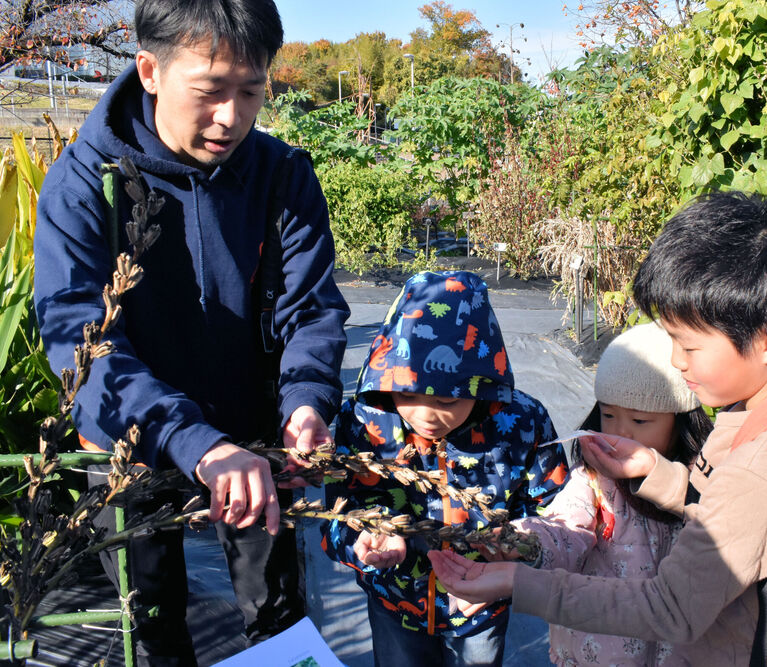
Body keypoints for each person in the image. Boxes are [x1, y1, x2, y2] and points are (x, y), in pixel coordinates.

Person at [429, 192, 767, 666]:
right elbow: (734, 511)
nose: (677, 361)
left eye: (689, 344)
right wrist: (655, 473)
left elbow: (671, 607)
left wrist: (517, 582)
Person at [33, 0, 349, 663]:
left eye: (251, 91)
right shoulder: (84, 186)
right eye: (210, 91)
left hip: (257, 434)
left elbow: (311, 311)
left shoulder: (282, 176)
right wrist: (190, 440)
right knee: (150, 621)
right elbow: (80, 341)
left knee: (277, 616)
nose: (232, 116)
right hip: (134, 440)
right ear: (149, 70)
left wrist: (305, 406)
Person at [322, 270, 568, 667]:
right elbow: (338, 510)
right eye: (408, 394)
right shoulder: (366, 420)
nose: (426, 416)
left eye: (449, 402)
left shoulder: (523, 424)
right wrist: (364, 537)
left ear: (482, 386)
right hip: (395, 601)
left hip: (481, 609)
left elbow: (557, 510)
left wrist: (515, 552)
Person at [508, 322, 711, 666]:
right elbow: (565, 528)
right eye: (609, 415)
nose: (619, 432)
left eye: (640, 421)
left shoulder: (705, 480)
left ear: (681, 420)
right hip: (597, 654)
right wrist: (525, 541)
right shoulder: (595, 480)